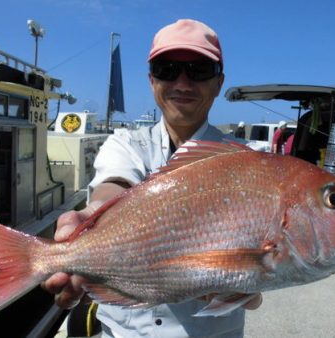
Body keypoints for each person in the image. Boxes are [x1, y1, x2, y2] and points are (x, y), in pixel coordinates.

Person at [42, 19, 262, 338]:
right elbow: (112, 192)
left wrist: (245, 289)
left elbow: (255, 295)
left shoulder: (247, 163)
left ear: (218, 83)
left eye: (199, 69)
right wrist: (88, 218)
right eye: (167, 68)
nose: (182, 82)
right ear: (151, 80)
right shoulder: (125, 144)